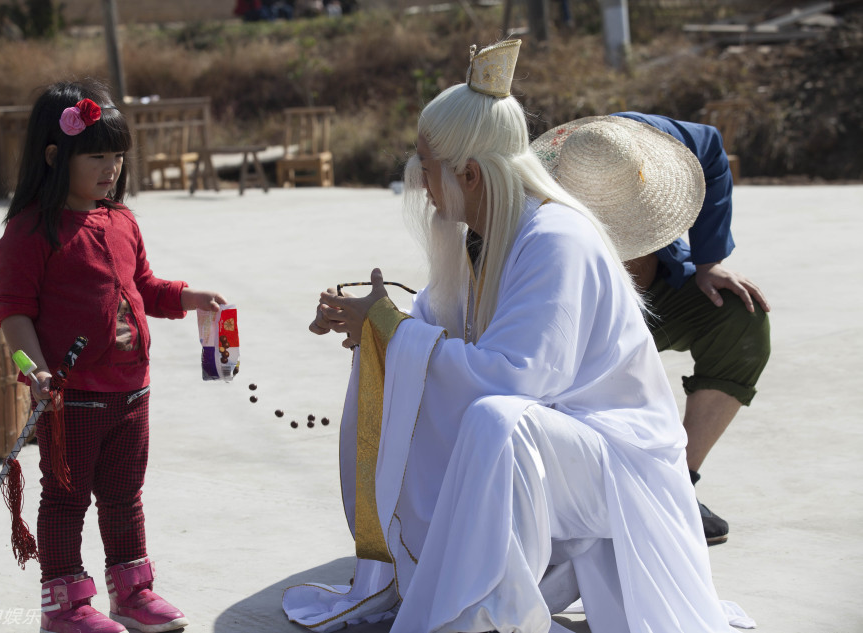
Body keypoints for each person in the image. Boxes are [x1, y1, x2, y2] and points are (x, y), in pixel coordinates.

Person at [284, 40, 752, 633]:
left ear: (470, 174)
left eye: (425, 167)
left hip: (622, 465)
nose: (420, 182)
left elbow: (515, 378)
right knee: (463, 400)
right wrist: (371, 322)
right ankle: (461, 587)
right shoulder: (489, 231)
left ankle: (488, 612)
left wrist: (393, 332)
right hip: (573, 449)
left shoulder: (556, 237)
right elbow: (434, 323)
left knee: (498, 423)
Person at [0, 79, 226, 633]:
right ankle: (65, 605)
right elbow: (13, 314)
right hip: (71, 397)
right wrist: (35, 371)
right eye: (97, 156)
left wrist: (187, 297)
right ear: (55, 156)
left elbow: (142, 286)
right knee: (66, 501)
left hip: (132, 391)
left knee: (124, 497)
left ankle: (132, 591)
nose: (111, 169)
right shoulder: (29, 232)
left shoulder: (121, 220)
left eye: (117, 157)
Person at [532, 113, 772, 545]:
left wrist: (709, 259)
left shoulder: (652, 138)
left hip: (656, 291)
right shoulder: (524, 183)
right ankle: (571, 501)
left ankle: (676, 486)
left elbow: (712, 149)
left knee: (740, 318)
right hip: (569, 306)